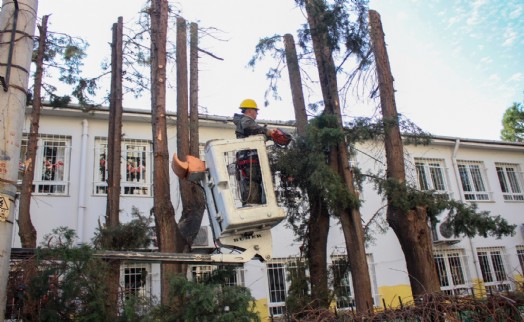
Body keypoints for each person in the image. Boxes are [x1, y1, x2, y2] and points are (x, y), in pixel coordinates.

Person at [232, 98, 275, 205]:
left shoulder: (245, 122)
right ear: (250, 110)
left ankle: (256, 207)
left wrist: (268, 136)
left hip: (249, 161)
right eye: (256, 111)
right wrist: (267, 131)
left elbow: (253, 132)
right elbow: (250, 127)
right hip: (250, 161)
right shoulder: (246, 120)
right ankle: (254, 210)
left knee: (254, 185)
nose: (257, 114)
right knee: (253, 186)